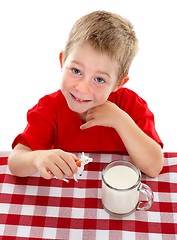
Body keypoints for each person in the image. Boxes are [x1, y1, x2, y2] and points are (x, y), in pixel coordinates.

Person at [8, 10, 164, 180]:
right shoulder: (49, 107)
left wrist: (121, 121)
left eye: (99, 79)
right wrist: (36, 158)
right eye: (76, 71)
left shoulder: (132, 105)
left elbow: (154, 167)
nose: (82, 88)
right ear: (62, 61)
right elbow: (15, 162)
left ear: (118, 84)